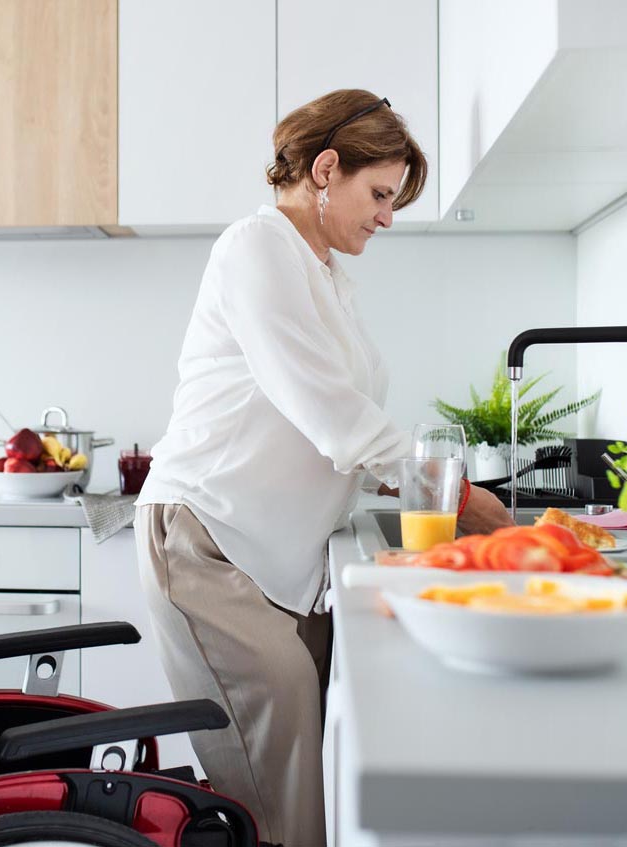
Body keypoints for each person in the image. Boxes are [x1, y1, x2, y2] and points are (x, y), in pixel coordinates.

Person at [134, 89, 514, 846]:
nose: (387, 216)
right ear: (326, 168)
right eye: (379, 193)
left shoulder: (325, 275)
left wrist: (421, 485)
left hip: (269, 557)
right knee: (282, 799)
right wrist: (462, 497)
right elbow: (330, 413)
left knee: (307, 787)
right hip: (206, 542)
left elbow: (344, 425)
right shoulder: (256, 247)